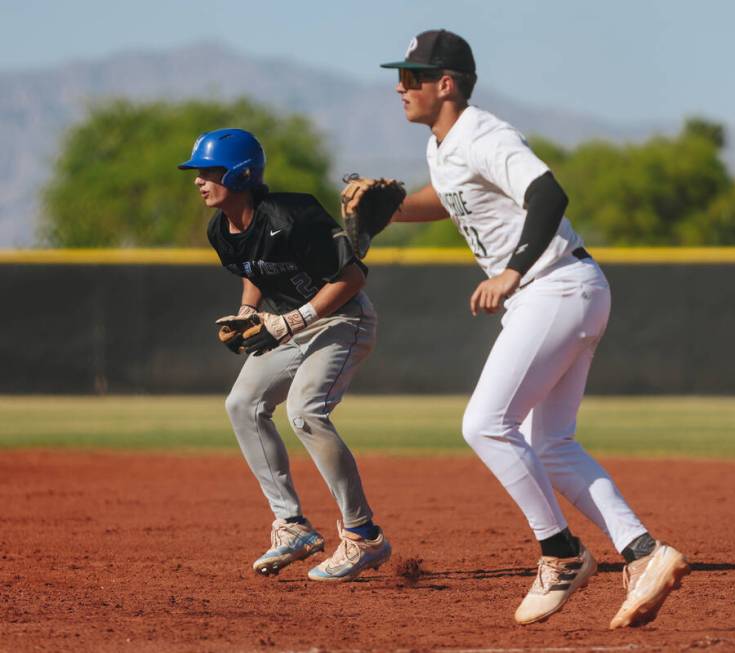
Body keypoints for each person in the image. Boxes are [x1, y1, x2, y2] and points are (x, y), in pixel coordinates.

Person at [377, 30, 690, 628]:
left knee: (485, 424)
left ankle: (561, 553)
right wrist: (392, 209)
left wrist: (512, 271)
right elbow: (449, 199)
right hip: (564, 291)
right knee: (550, 444)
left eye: (413, 76)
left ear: (446, 83)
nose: (401, 85)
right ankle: (644, 554)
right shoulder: (444, 147)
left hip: (552, 286)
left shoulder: (483, 133)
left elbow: (549, 193)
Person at [177, 128, 391, 582]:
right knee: (242, 405)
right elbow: (251, 268)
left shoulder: (291, 215)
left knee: (306, 410)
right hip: (286, 324)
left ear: (240, 173)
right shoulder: (221, 228)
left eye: (208, 171)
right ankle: (292, 526)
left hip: (342, 319)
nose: (198, 180)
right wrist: (246, 311)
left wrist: (291, 321)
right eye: (196, 173)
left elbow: (352, 279)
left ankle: (363, 535)